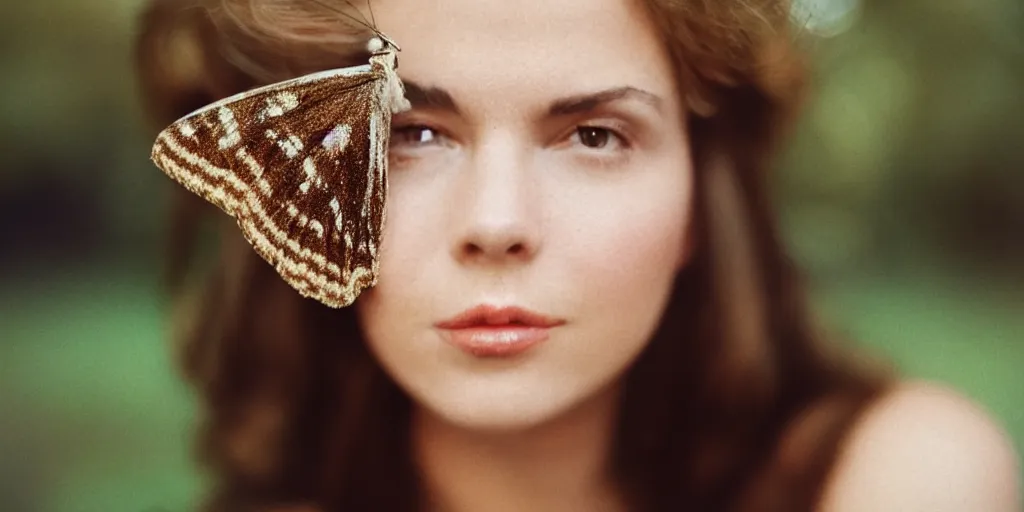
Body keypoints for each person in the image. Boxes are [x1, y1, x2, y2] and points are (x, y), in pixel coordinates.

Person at [134, 0, 1021, 510]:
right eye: (409, 136)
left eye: (594, 135)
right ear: (301, 199)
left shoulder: (902, 477)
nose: (496, 222)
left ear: (698, 211)